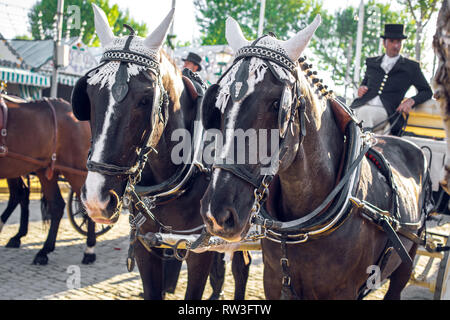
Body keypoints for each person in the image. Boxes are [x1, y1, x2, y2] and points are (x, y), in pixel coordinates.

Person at [350, 24, 433, 135]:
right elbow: (364, 83)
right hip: (361, 104)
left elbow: (427, 91)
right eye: (392, 41)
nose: (396, 45)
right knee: (344, 112)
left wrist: (411, 101)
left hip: (386, 111)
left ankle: (360, 150)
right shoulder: (372, 63)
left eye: (399, 42)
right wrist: (361, 88)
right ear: (384, 43)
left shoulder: (411, 67)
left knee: (365, 113)